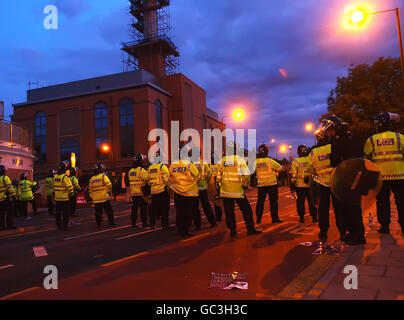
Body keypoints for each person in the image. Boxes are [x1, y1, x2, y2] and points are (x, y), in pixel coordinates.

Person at [321, 117, 366, 245]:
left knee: (347, 208)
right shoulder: (352, 137)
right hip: (356, 176)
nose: (330, 133)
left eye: (330, 130)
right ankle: (359, 234)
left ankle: (354, 235)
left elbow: (334, 161)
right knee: (355, 206)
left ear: (335, 129)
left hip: (345, 177)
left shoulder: (338, 141)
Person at [308, 117, 347, 241]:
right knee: (339, 209)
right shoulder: (333, 148)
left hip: (321, 184)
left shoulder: (313, 153)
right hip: (335, 182)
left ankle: (323, 232)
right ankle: (342, 232)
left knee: (323, 210)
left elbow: (311, 169)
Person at [364, 112, 404, 234]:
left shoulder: (371, 140)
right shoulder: (400, 137)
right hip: (399, 174)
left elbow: (366, 157)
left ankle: (385, 226)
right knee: (401, 201)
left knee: (382, 202)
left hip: (380, 176)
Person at [217, 142, 262, 240]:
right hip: (237, 191)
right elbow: (246, 174)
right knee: (246, 210)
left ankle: (232, 232)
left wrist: (221, 186)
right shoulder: (239, 159)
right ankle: (250, 229)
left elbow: (218, 176)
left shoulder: (222, 160)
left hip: (225, 191)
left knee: (229, 212)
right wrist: (245, 184)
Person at [169, 146, 201, 237]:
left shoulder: (173, 164)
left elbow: (170, 177)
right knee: (188, 213)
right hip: (189, 193)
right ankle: (186, 231)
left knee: (179, 212)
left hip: (178, 193)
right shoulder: (189, 164)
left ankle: (180, 230)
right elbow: (198, 176)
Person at [253, 144, 283, 230]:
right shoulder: (270, 161)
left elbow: (253, 170)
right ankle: (274, 218)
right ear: (267, 151)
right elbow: (280, 168)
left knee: (260, 202)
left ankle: (258, 219)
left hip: (261, 185)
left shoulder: (256, 162)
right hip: (271, 184)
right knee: (273, 202)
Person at [291, 145, 318, 223]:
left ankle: (302, 218)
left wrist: (292, 183)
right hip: (310, 185)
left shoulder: (296, 161)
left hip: (299, 186)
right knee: (312, 202)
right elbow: (314, 170)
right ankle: (314, 218)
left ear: (298, 152)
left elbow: (293, 174)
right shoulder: (310, 159)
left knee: (300, 202)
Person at [193, 150, 216, 230]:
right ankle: (212, 221)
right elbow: (209, 174)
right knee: (206, 206)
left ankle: (197, 225)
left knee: (195, 207)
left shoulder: (190, 164)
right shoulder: (204, 163)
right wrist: (206, 182)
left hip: (194, 188)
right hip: (203, 187)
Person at [147, 153, 170, 230]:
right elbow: (167, 179)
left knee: (153, 209)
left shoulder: (149, 168)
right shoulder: (162, 167)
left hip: (153, 191)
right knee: (164, 209)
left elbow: (148, 181)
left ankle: (152, 224)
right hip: (162, 191)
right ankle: (165, 225)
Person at [89, 163, 115, 228]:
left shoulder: (92, 179)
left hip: (96, 199)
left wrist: (92, 198)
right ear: (100, 169)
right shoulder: (103, 176)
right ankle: (111, 223)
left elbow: (90, 190)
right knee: (109, 211)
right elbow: (109, 184)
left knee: (98, 213)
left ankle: (99, 224)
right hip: (104, 198)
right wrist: (108, 192)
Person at [128, 154, 150, 228]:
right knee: (143, 208)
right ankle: (144, 222)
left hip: (134, 193)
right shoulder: (141, 170)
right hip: (141, 193)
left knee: (134, 209)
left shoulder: (130, 171)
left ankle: (133, 223)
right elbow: (148, 179)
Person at [53, 161, 74, 230]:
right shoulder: (64, 177)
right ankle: (65, 226)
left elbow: (54, 187)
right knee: (65, 214)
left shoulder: (55, 176)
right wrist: (71, 193)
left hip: (57, 199)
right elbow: (69, 187)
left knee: (58, 214)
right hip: (64, 199)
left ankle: (58, 226)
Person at [0, 165, 16, 230]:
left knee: (1, 214)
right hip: (6, 198)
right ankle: (10, 225)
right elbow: (10, 188)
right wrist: (13, 195)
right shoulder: (5, 178)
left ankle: (1, 226)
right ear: (3, 171)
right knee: (10, 213)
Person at [209, 152, 223, 222]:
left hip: (218, 185)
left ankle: (219, 217)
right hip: (213, 186)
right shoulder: (210, 166)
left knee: (219, 201)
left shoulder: (219, 165)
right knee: (216, 201)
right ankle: (218, 217)